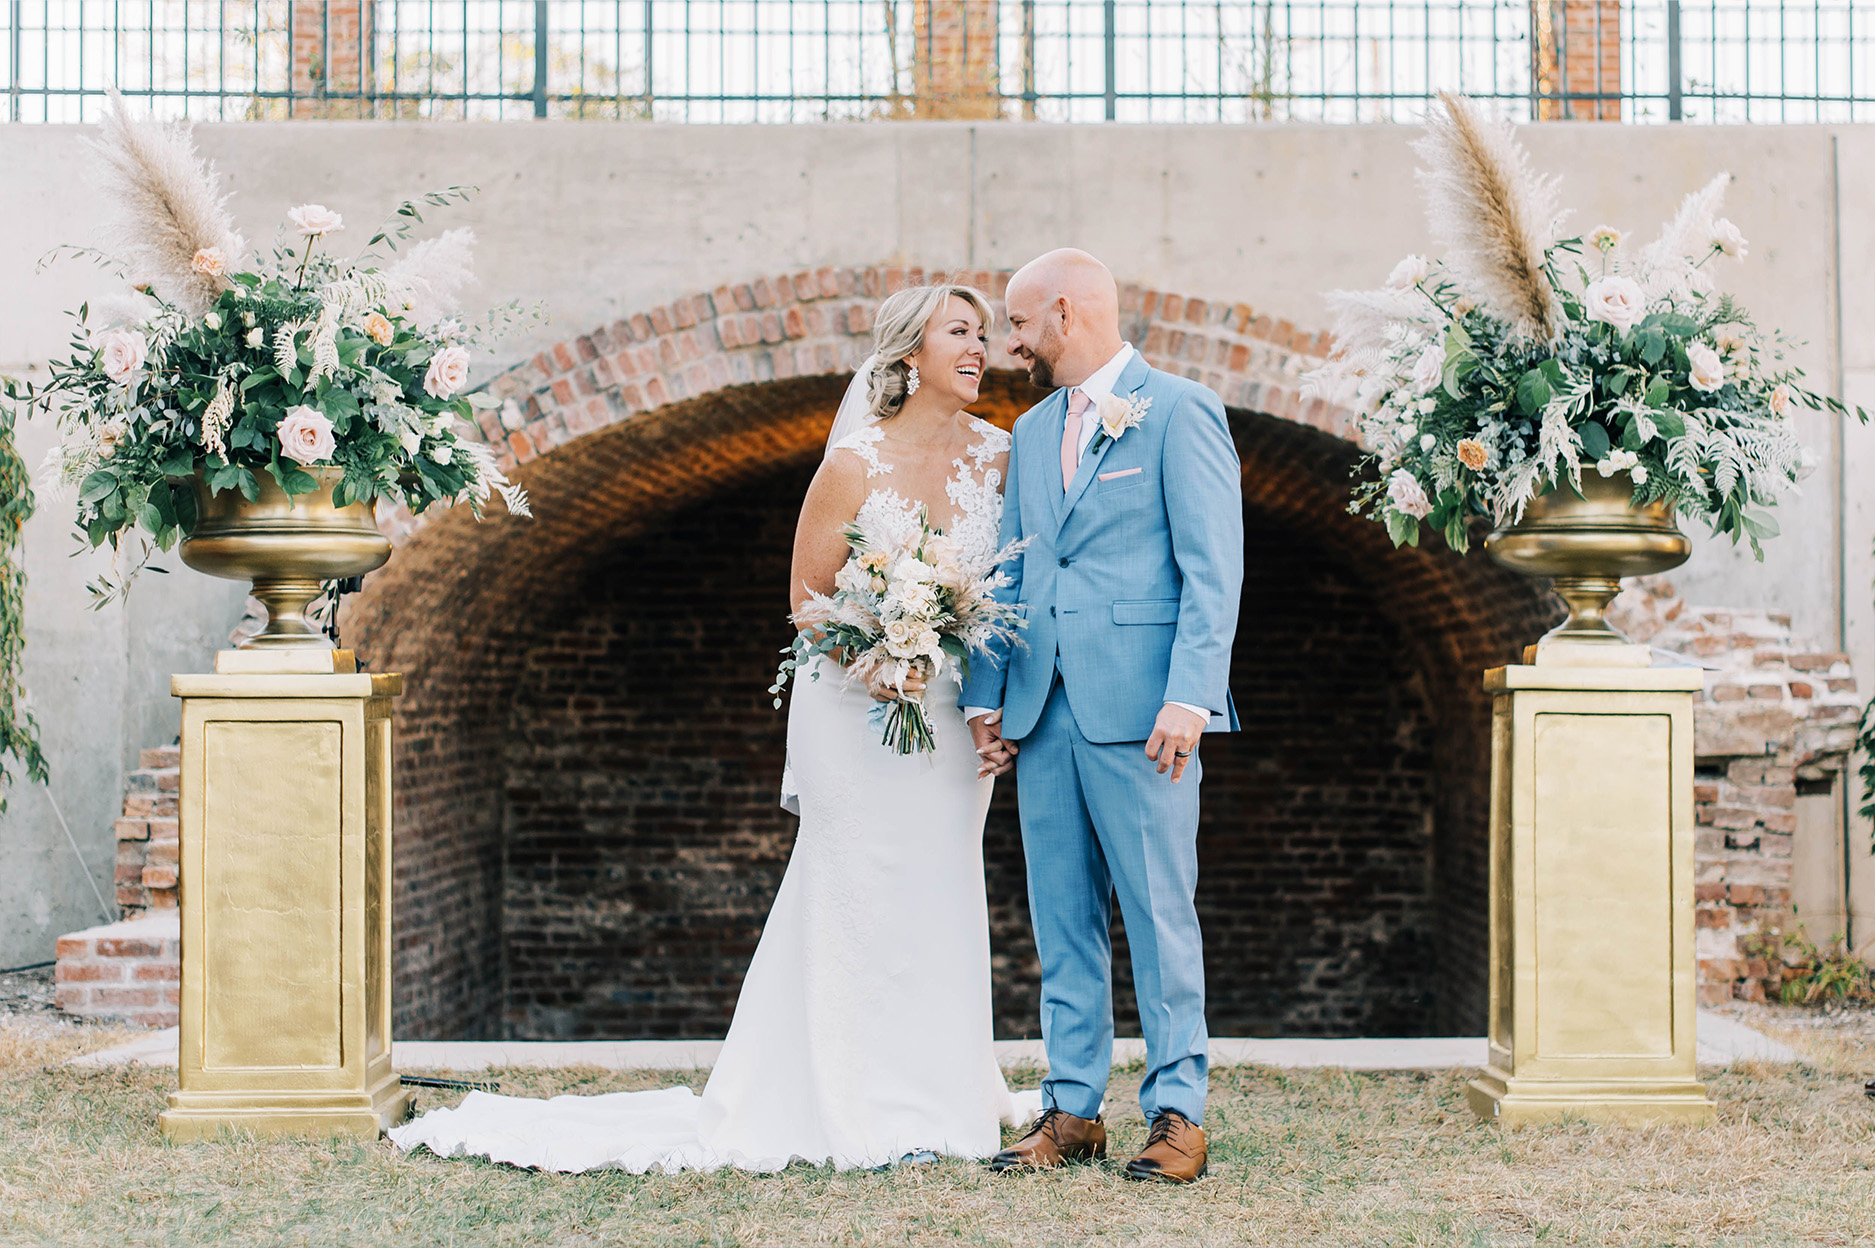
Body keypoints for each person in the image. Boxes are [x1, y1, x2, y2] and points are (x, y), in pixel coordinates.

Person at [389, 284, 1039, 1172]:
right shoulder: (854, 463)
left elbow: (1013, 595)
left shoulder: (1003, 457)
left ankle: (941, 1087)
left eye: (984, 335)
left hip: (949, 715)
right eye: (959, 332)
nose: (981, 348)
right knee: (852, 885)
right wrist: (878, 658)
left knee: (941, 886)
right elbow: (809, 601)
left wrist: (980, 698)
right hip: (858, 711)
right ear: (906, 355)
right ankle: (838, 1092)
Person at [962, 249, 1243, 1185]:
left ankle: (1176, 1114)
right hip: (1042, 713)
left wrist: (1189, 695)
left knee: (1161, 914)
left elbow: (1213, 567)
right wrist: (985, 695)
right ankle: (1072, 1109)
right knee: (1062, 919)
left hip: (1145, 712)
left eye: (1017, 325)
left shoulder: (1180, 410)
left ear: (1065, 312)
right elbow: (1010, 568)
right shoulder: (1033, 429)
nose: (1009, 345)